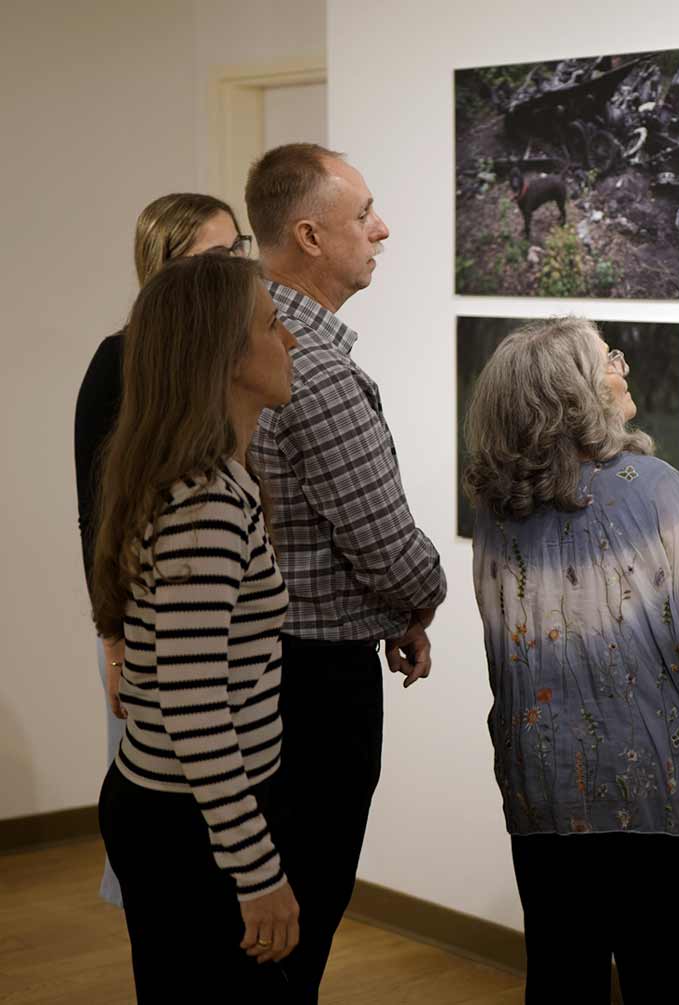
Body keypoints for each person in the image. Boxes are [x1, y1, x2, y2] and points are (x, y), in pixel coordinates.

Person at [464, 317, 679, 1004]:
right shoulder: (654, 488)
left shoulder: (498, 508)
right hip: (654, 795)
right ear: (574, 393)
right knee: (662, 982)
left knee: (561, 976)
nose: (623, 367)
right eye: (607, 358)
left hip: (543, 789)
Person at [245, 142, 447, 1000]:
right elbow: (388, 546)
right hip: (316, 687)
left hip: (259, 668)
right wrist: (421, 600)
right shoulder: (317, 373)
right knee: (300, 920)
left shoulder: (238, 338)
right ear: (309, 235)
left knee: (263, 923)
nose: (383, 229)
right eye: (363, 214)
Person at [92, 254, 300, 1000]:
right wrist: (257, 870)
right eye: (273, 325)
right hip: (189, 826)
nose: (292, 341)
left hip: (187, 813)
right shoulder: (205, 502)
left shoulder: (210, 481)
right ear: (227, 358)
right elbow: (193, 703)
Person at [73, 192, 253, 908]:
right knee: (156, 784)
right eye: (217, 256)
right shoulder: (117, 362)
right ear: (164, 268)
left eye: (239, 250)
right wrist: (113, 636)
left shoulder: (229, 358)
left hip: (215, 620)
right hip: (139, 624)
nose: (236, 267)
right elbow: (97, 520)